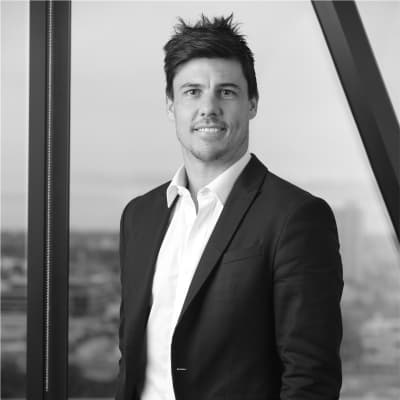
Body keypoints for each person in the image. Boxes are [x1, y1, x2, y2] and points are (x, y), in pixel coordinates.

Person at [116, 14, 343, 400]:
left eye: (226, 92)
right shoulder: (139, 216)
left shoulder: (296, 217)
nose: (208, 107)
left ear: (252, 103)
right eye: (192, 92)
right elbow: (133, 357)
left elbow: (310, 377)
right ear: (171, 105)